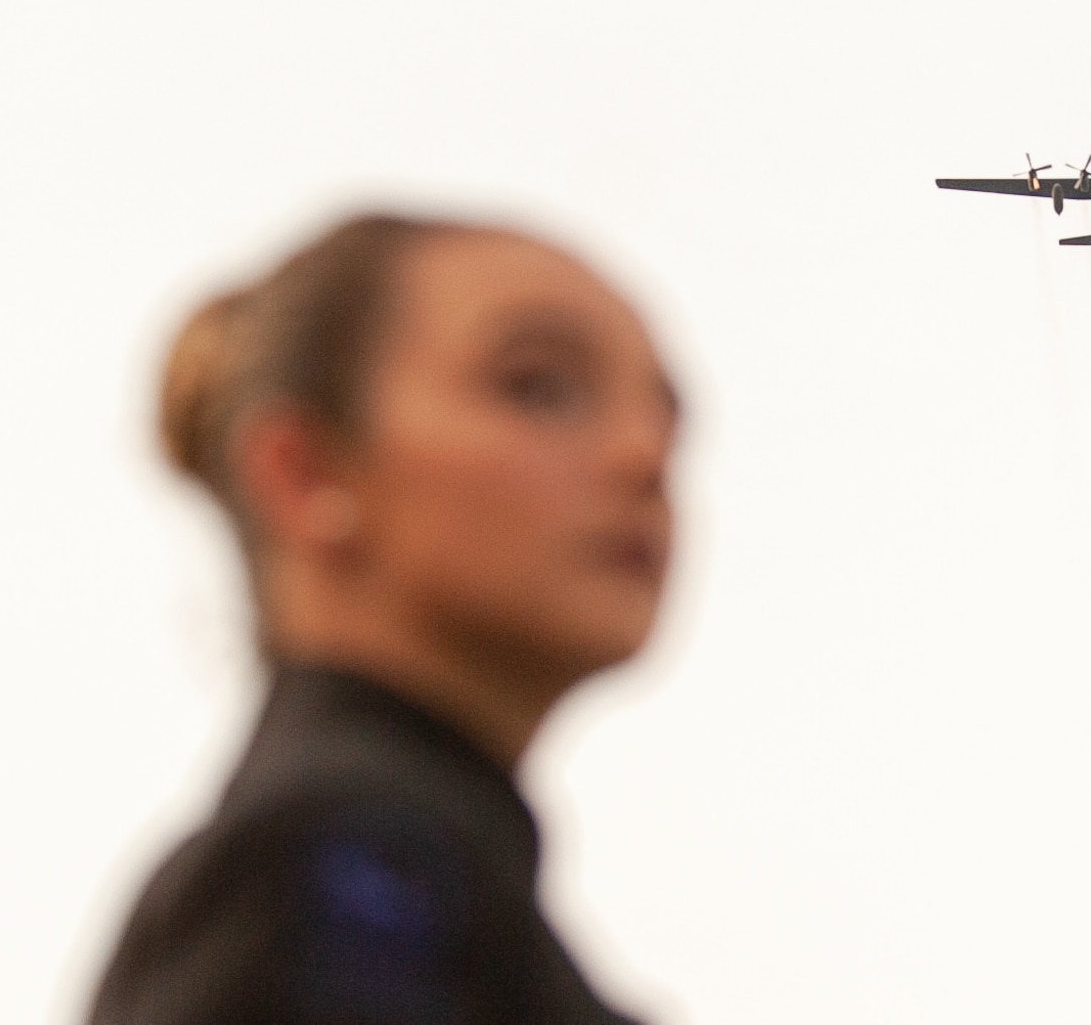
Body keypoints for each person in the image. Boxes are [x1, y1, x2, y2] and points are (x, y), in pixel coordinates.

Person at [88, 213, 680, 1025]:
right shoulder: (331, 874)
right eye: (538, 386)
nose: (642, 455)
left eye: (667, 419)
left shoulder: (424, 888)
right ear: (303, 471)